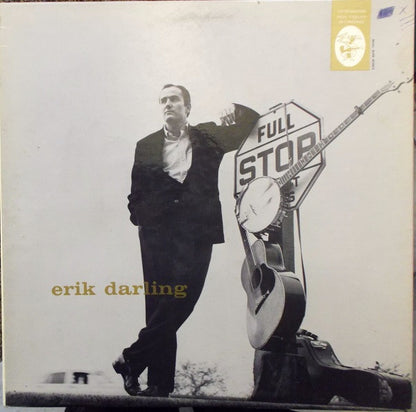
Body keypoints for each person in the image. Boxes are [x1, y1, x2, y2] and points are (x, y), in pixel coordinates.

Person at [113, 84, 259, 397]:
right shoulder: (145, 145)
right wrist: (143, 218)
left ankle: (132, 358)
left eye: (174, 99)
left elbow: (249, 123)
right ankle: (158, 385)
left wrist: (234, 108)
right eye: (163, 100)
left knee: (184, 297)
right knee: (160, 305)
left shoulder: (208, 136)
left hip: (197, 230)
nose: (168, 104)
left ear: (187, 107)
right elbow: (135, 192)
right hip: (156, 234)